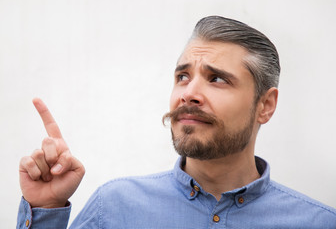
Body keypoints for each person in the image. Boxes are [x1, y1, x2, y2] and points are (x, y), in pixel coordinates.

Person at [17, 16, 336, 228]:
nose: (189, 93)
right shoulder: (113, 210)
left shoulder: (317, 223)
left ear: (265, 106)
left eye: (217, 79)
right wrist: (46, 209)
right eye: (183, 76)